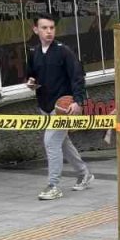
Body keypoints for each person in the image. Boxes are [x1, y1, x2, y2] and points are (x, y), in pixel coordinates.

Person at [27, 14, 92, 201]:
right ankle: (84, 173)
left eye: (52, 28)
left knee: (51, 142)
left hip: (63, 107)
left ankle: (53, 185)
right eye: (44, 28)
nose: (49, 31)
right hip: (45, 106)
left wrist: (78, 101)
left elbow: (78, 77)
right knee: (63, 143)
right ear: (36, 30)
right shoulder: (33, 52)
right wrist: (31, 82)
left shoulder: (64, 51)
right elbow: (32, 75)